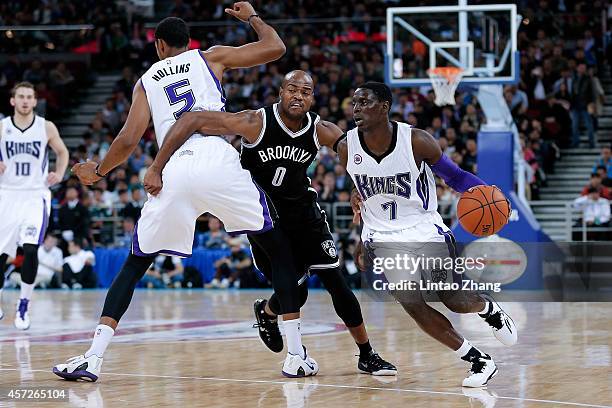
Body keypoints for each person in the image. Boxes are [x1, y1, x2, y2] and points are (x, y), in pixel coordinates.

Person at [53, 6, 315, 382]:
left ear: (159, 45)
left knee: (135, 263)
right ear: (188, 43)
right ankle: (295, 356)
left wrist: (97, 171)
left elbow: (127, 141)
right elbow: (275, 48)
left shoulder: (145, 80)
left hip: (172, 167)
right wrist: (253, 18)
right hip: (217, 160)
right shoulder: (210, 57)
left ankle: (93, 357)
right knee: (279, 249)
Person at [144, 71, 396, 376]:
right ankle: (271, 317)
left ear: (312, 98)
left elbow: (352, 153)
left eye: (306, 92)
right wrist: (159, 165)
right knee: (296, 292)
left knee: (337, 283)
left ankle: (366, 354)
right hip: (263, 217)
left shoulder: (320, 129)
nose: (298, 96)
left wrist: (358, 185)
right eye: (293, 89)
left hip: (305, 215)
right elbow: (194, 119)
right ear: (280, 91)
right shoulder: (255, 122)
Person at [341, 82, 517, 387]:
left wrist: (489, 195)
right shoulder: (347, 147)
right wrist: (362, 241)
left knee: (454, 300)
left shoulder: (417, 141)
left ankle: (488, 308)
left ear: (384, 106)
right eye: (354, 103)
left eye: (365, 102)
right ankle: (479, 360)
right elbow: (363, 197)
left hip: (424, 230)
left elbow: (456, 177)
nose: (356, 109)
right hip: (382, 238)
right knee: (412, 304)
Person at [0, 81, 69, 328]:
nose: (26, 101)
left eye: (30, 96)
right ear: (13, 101)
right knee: (1, 255)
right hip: (6, 194)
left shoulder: (45, 127)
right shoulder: (2, 128)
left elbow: (62, 152)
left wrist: (59, 174)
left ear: (34, 101)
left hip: (34, 195)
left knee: (30, 249)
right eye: (21, 96)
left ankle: (23, 306)